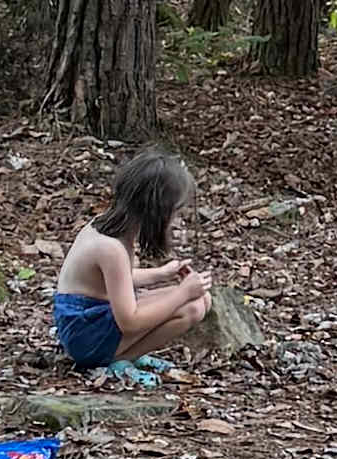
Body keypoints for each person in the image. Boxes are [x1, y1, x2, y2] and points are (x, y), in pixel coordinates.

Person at [51, 144, 214, 379]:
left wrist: (161, 273)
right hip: (85, 336)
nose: (176, 219)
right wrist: (182, 293)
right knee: (193, 306)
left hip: (88, 322)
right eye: (175, 212)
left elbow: (113, 281)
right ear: (157, 211)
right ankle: (118, 359)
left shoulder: (107, 227)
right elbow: (129, 322)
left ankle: (123, 353)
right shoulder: (112, 248)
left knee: (202, 298)